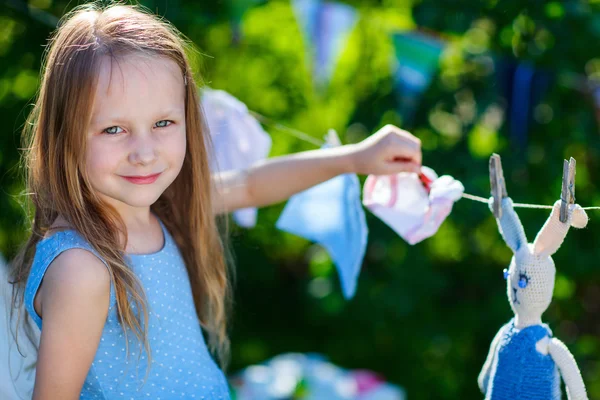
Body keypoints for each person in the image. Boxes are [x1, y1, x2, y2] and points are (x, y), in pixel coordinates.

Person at [7, 3, 421, 399]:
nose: (145, 151)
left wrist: (355, 157)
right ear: (65, 135)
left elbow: (249, 185)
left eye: (163, 123)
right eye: (114, 130)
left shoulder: (159, 209)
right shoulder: (82, 267)